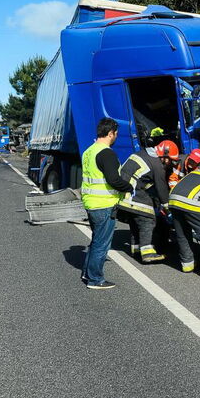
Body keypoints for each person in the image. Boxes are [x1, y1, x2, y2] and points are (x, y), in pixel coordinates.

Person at [79, 118, 134, 290]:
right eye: (116, 134)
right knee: (102, 244)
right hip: (104, 205)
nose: (116, 137)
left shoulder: (89, 151)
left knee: (96, 241)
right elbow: (114, 180)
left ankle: (87, 272)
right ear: (110, 133)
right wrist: (129, 186)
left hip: (91, 203)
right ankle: (95, 279)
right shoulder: (107, 153)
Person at [117, 140, 178, 263]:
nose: (170, 163)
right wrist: (167, 207)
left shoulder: (144, 153)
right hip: (133, 193)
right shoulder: (157, 165)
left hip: (123, 194)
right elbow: (161, 189)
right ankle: (147, 252)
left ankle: (136, 248)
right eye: (170, 160)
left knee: (136, 220)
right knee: (148, 218)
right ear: (165, 156)